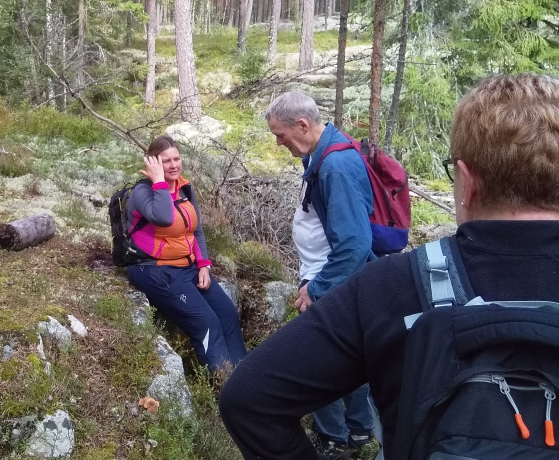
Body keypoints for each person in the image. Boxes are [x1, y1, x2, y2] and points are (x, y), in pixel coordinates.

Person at [218, 73, 559, 459]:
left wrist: (319, 286)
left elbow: (248, 400)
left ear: (467, 182)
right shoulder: (332, 158)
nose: (278, 142)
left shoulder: (390, 287)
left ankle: (345, 437)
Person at [262, 91, 378, 457]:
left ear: (302, 124)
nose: (278, 142)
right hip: (330, 278)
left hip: (331, 282)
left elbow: (355, 244)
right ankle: (359, 432)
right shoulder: (321, 153)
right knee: (349, 358)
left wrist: (317, 288)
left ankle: (333, 440)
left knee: (317, 364)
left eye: (280, 134)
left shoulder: (335, 167)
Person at [125, 135, 248, 373]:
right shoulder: (142, 191)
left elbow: (196, 230)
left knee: (228, 315)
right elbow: (163, 217)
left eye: (177, 159)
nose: (173, 165)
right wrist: (159, 182)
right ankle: (225, 384)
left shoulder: (184, 188)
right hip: (154, 270)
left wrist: (203, 264)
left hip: (187, 266)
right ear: (153, 163)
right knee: (206, 323)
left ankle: (245, 377)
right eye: (166, 161)